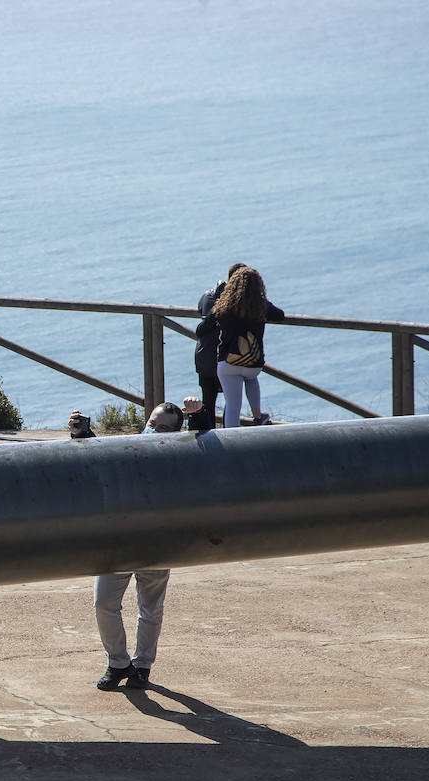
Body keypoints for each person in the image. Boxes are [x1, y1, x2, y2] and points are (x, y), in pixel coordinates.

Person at [70, 397, 202, 690]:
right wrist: (81, 434)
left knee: (151, 608)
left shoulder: (180, 459)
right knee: (104, 603)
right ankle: (118, 663)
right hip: (117, 541)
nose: (154, 431)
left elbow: (205, 446)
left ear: (177, 435)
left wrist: (199, 416)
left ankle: (142, 666)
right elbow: (102, 456)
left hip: (157, 545)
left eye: (164, 429)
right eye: (152, 424)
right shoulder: (130, 447)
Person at [197, 266, 285, 430]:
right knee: (251, 378)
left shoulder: (224, 307)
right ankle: (258, 416)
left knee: (232, 407)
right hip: (253, 363)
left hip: (228, 363)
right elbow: (280, 315)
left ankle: (232, 441)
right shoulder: (261, 306)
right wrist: (262, 299)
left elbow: (201, 329)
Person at [192, 262, 247, 429]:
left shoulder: (207, 296)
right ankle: (227, 438)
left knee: (208, 402)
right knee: (231, 402)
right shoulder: (237, 303)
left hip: (203, 357)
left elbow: (201, 311)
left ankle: (209, 441)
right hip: (224, 358)